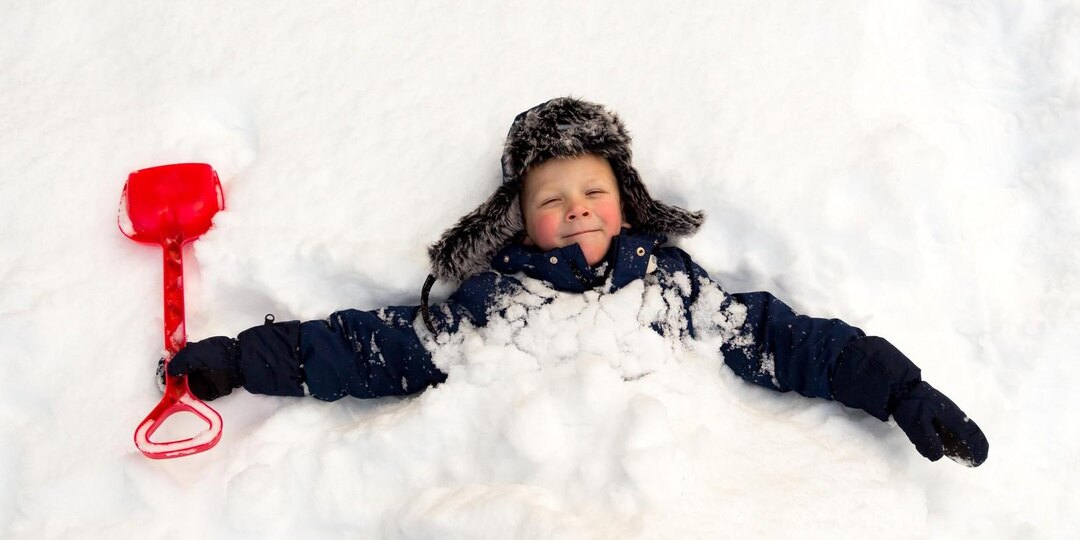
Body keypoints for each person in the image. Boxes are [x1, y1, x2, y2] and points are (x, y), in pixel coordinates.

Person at [165, 97, 989, 466]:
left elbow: (791, 344)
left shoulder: (673, 292)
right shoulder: (493, 311)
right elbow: (366, 351)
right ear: (521, 224)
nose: (580, 209)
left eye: (595, 191)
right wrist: (242, 360)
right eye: (553, 200)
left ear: (626, 205)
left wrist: (899, 391)